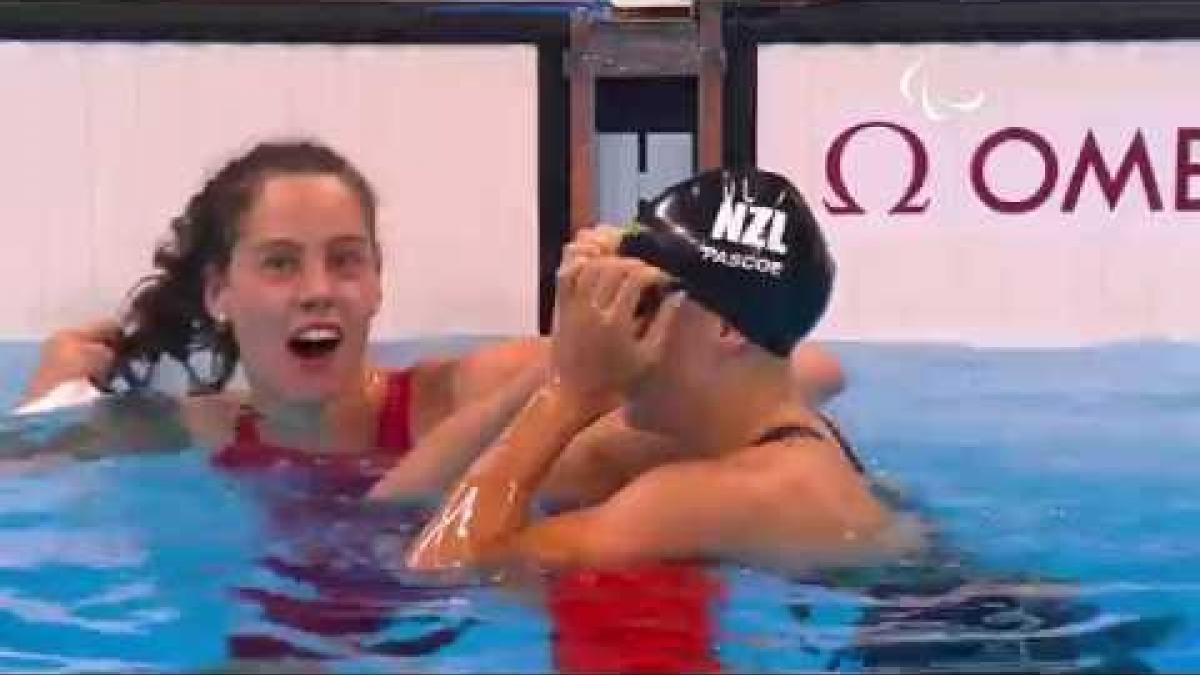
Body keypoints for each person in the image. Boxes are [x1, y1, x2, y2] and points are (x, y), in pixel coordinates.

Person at [407, 167, 922, 573]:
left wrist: (566, 393)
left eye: (645, 300)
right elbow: (410, 494)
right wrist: (562, 355)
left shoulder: (733, 493)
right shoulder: (755, 425)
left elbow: (447, 565)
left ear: (727, 329)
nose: (619, 325)